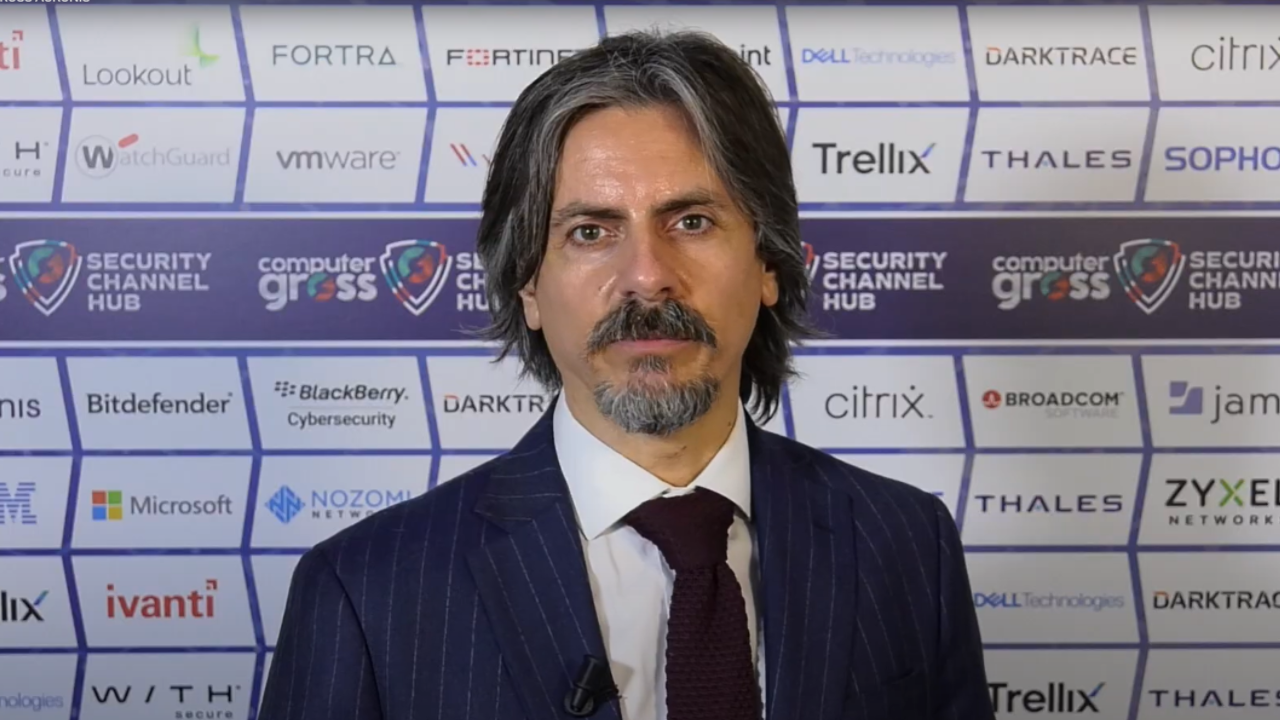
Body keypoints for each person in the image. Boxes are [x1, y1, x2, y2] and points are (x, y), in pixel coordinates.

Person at [260, 30, 993, 720]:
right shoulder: (365, 590)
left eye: (692, 221)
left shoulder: (907, 544)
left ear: (769, 263)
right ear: (527, 286)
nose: (647, 276)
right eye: (590, 232)